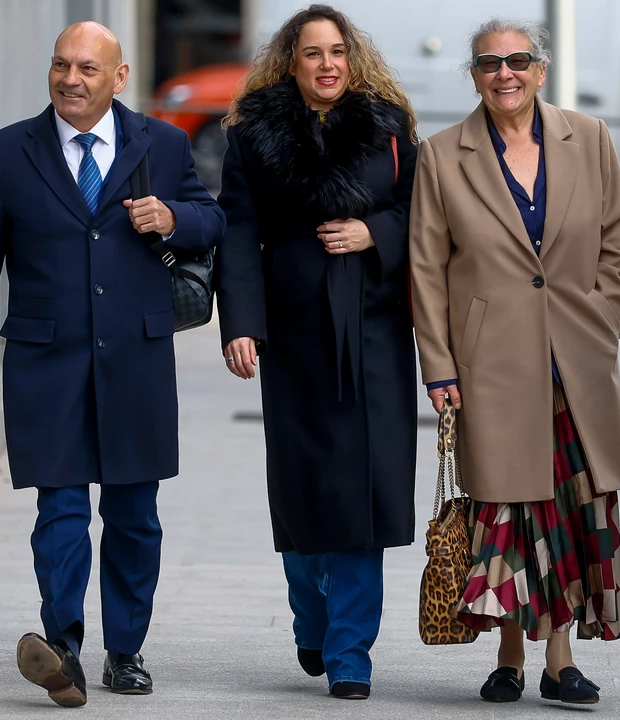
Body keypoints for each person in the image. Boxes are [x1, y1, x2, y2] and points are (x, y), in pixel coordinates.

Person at [0, 22, 224, 708]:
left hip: (137, 357)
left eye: (88, 69)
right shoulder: (7, 151)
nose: (71, 79)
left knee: (135, 514)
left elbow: (211, 219)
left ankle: (125, 650)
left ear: (119, 76)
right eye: (61, 65)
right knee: (61, 511)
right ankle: (63, 647)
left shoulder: (163, 143)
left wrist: (172, 219)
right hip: (46, 359)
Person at [409, 17, 620, 707]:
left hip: (576, 361)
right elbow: (425, 268)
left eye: (517, 60)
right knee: (506, 509)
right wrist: (440, 369)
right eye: (488, 63)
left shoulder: (589, 138)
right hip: (491, 363)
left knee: (570, 506)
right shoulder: (443, 155)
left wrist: (603, 323)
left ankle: (558, 661)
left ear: (540, 69)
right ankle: (510, 651)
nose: (504, 73)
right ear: (473, 76)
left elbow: (617, 242)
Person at [213, 3, 418, 701]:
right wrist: (241, 322)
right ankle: (313, 616)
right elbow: (238, 231)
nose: (327, 64)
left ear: (351, 60)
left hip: (375, 325)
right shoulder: (254, 135)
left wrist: (375, 236)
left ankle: (352, 651)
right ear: (290, 62)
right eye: (312, 53)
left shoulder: (390, 128)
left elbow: (424, 211)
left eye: (337, 52)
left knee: (365, 490)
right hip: (295, 324)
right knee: (303, 488)